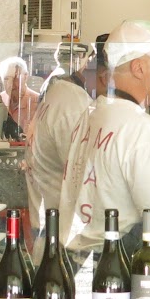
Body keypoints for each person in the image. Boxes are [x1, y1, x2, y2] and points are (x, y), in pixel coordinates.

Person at [60, 20, 150, 252]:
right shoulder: (143, 129)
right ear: (139, 68)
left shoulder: (90, 115)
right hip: (115, 270)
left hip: (75, 263)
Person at [24, 47, 96, 236]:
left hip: (48, 225)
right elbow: (82, 175)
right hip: (60, 232)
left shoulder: (59, 92)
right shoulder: (73, 104)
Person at [0, 56, 40, 144]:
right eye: (6, 79)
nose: (12, 84)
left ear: (26, 77)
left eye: (16, 78)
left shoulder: (38, 103)